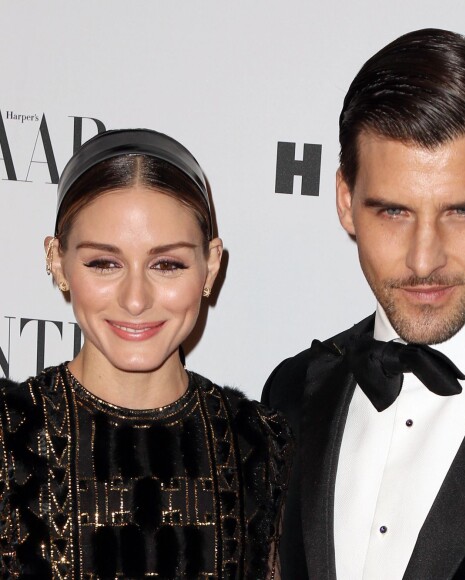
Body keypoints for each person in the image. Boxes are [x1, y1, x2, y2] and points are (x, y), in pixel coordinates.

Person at [263, 28, 465, 579]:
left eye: (462, 212)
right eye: (393, 212)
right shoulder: (292, 393)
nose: (423, 259)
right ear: (345, 200)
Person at [0, 128, 291, 578]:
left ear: (211, 266)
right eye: (104, 263)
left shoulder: (259, 445)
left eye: (167, 265)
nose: (135, 299)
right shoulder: (6, 436)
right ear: (57, 261)